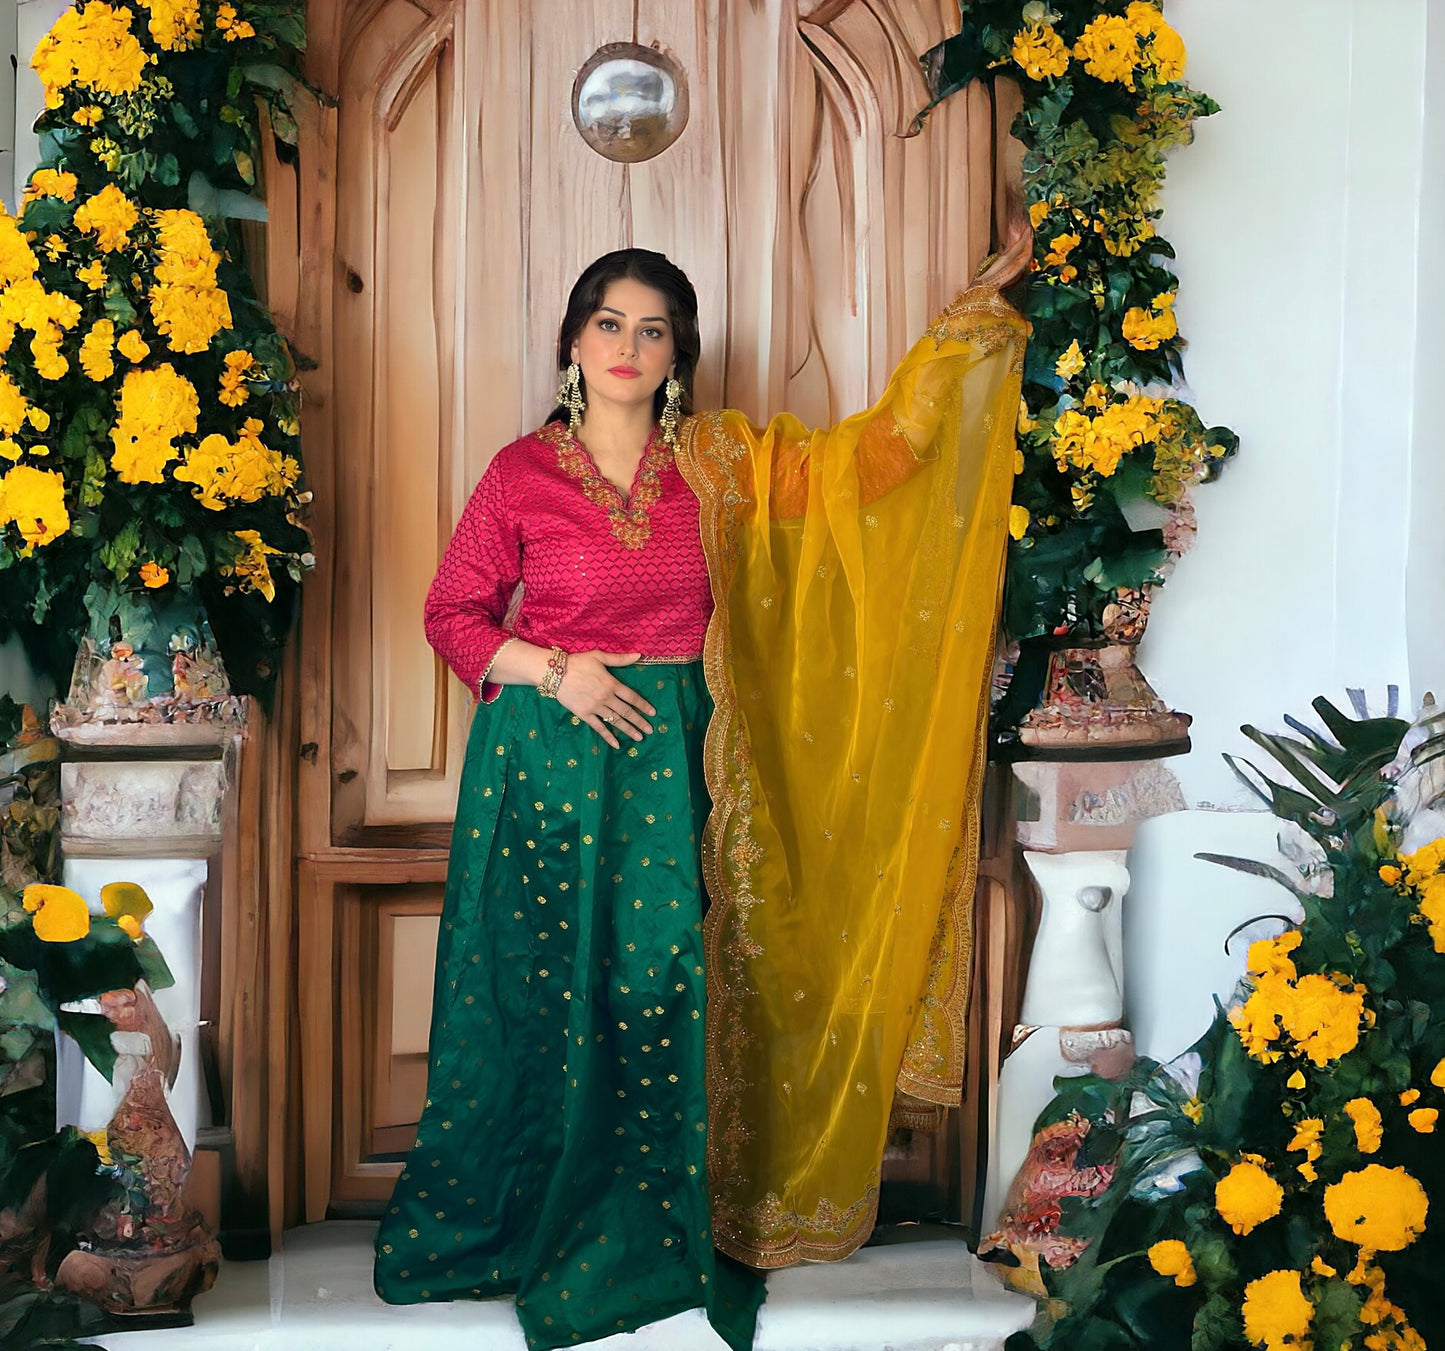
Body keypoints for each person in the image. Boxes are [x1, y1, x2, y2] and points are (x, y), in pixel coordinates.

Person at [374, 239, 1030, 1350]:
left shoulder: (722, 463)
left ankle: (664, 1216)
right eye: (606, 324)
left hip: (688, 754)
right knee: (544, 990)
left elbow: (873, 465)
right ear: (572, 342)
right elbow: (453, 615)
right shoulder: (519, 472)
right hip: (546, 762)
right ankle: (533, 1210)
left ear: (679, 354)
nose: (626, 347)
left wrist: (964, 329)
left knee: (665, 980)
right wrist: (554, 668)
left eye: (651, 329)